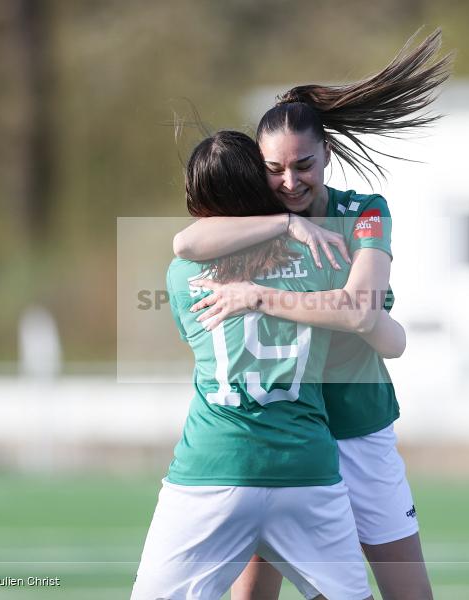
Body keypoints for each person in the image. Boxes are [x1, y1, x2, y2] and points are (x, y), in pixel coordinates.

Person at [172, 29, 451, 600]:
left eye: (303, 165)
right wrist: (284, 223)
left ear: (326, 153)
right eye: (274, 168)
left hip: (359, 426)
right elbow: (184, 243)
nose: (289, 182)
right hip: (287, 435)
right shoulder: (261, 217)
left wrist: (260, 295)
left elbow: (363, 314)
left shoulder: (364, 213)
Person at [131, 131, 406, 599]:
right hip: (307, 467)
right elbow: (386, 332)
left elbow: (187, 244)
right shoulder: (324, 258)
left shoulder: (180, 276)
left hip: (212, 467)